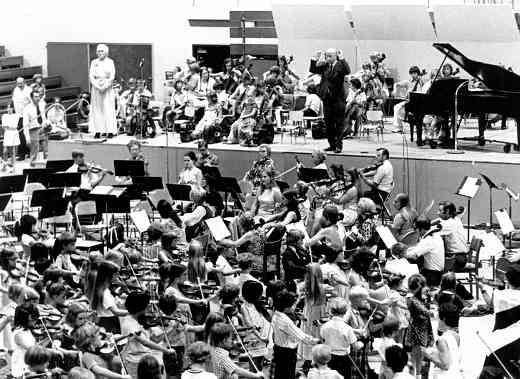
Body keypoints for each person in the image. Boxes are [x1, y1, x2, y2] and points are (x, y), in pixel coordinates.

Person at [309, 48, 351, 153]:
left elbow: (347, 71)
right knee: (328, 124)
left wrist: (342, 59)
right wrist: (315, 58)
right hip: (327, 99)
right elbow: (313, 70)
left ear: (335, 56)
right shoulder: (325, 66)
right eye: (326, 56)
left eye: (330, 56)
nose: (327, 58)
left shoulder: (340, 65)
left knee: (339, 124)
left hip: (338, 99)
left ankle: (338, 146)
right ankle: (331, 144)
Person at [270, 290, 319, 379]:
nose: (294, 307)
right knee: (287, 375)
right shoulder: (285, 321)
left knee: (280, 374)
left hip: (279, 349)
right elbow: (302, 337)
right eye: (293, 305)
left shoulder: (276, 314)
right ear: (286, 306)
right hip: (287, 353)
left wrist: (295, 315)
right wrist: (318, 340)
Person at [320, 298, 362, 378]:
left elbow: (322, 339)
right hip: (344, 359)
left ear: (331, 311)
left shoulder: (324, 326)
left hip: (329, 357)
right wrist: (361, 344)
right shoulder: (347, 328)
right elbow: (355, 346)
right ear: (345, 312)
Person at [422, 303, 463, 378]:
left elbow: (445, 366)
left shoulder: (441, 340)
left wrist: (428, 355)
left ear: (443, 319)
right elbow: (451, 356)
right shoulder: (455, 335)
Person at [405, 274, 433, 378]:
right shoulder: (411, 299)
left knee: (420, 351)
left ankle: (418, 373)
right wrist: (430, 312)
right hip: (417, 328)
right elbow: (423, 310)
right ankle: (415, 374)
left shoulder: (422, 295)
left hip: (424, 326)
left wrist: (427, 296)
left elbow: (426, 304)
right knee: (416, 351)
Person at [405, 218, 445, 287]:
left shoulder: (427, 240)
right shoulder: (436, 235)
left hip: (432, 275)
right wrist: (410, 249)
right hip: (438, 273)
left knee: (408, 280)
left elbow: (413, 256)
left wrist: (401, 254)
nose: (415, 231)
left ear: (422, 229)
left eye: (416, 228)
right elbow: (420, 248)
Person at [89, 43, 117, 138]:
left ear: (106, 52)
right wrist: (97, 86)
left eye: (102, 51)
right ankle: (98, 131)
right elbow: (91, 76)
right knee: (97, 109)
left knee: (108, 108)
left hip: (107, 89)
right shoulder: (94, 62)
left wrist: (105, 86)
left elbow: (112, 76)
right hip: (96, 88)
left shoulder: (110, 62)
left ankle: (109, 131)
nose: (100, 53)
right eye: (98, 51)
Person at [392, 66, 423, 133]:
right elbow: (396, 84)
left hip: (418, 102)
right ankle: (398, 127)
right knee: (396, 107)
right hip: (408, 101)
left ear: (418, 73)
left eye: (415, 73)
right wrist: (395, 90)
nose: (413, 75)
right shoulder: (407, 82)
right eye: (412, 73)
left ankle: (417, 125)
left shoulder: (421, 82)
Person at [23, 90, 45, 166]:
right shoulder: (27, 108)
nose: (38, 98)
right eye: (35, 96)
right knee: (34, 153)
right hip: (33, 130)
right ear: (31, 98)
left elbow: (44, 118)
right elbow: (25, 124)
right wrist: (27, 137)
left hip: (43, 129)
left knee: (47, 151)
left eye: (38, 96)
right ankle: (33, 169)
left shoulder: (42, 105)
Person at [1, 102, 20, 168]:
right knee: (5, 151)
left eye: (10, 107)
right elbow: (4, 126)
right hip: (7, 134)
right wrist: (9, 126)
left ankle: (13, 166)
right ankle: (4, 165)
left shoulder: (16, 115)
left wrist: (9, 126)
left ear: (13, 108)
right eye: (8, 107)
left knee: (12, 151)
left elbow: (15, 126)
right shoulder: (4, 116)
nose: (8, 109)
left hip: (14, 133)